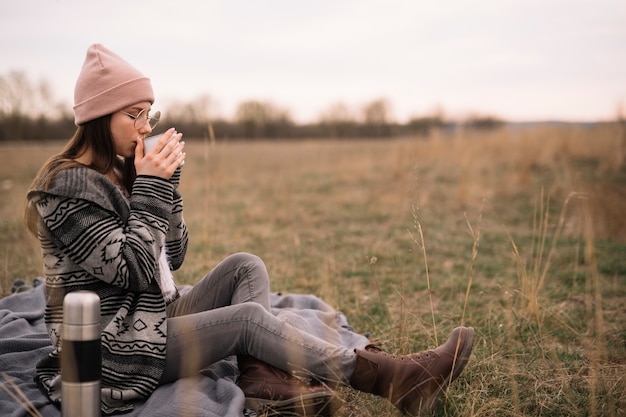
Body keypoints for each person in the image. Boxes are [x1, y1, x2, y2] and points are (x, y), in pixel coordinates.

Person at [25, 43, 474, 416]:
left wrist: (169, 188)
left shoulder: (124, 173)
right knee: (247, 319)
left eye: (149, 115)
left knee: (245, 266)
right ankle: (393, 379)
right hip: (115, 349)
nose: (146, 127)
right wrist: (152, 188)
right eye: (135, 115)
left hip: (154, 317)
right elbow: (132, 270)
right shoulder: (66, 186)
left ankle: (260, 379)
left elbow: (173, 257)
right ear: (101, 117)